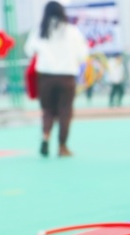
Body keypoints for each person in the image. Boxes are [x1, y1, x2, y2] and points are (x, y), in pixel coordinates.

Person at [24, 0, 89, 157]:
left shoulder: (39, 30)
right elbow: (83, 54)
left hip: (46, 77)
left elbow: (29, 50)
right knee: (65, 111)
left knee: (47, 110)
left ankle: (45, 137)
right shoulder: (72, 31)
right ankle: (62, 146)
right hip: (67, 76)